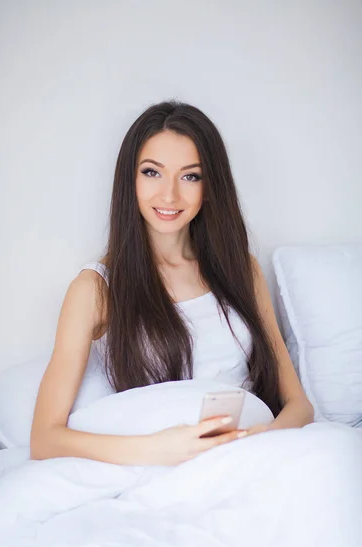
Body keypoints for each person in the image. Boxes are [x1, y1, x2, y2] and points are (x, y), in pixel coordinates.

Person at [30, 100, 314, 465]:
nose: (169, 195)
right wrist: (157, 450)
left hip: (249, 458)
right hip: (157, 467)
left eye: (190, 176)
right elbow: (45, 439)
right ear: (129, 180)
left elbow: (299, 406)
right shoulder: (95, 290)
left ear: (210, 187)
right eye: (152, 172)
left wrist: (262, 441)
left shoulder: (242, 270)